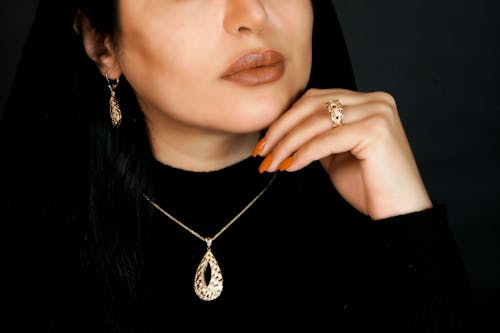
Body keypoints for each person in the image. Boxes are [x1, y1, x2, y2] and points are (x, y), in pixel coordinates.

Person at [3, 0, 476, 332]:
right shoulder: (35, 244)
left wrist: (409, 222)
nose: (253, 14)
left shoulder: (364, 203)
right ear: (101, 43)